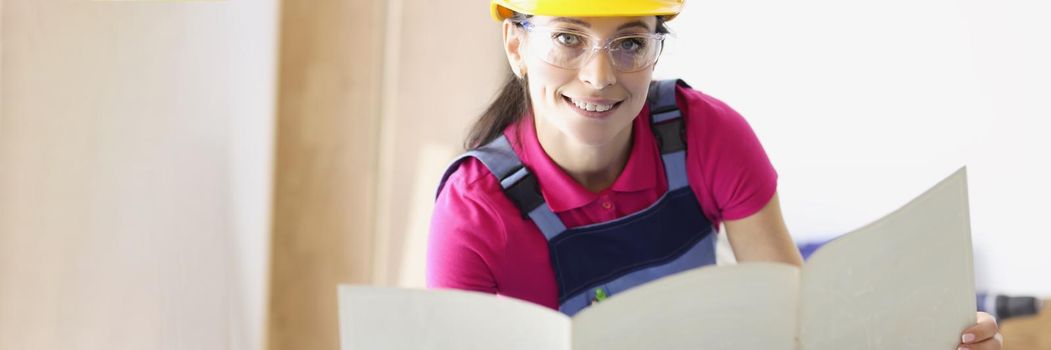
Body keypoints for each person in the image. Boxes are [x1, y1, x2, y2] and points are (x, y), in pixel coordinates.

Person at [427, 1, 1002, 348]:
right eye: (567, 38)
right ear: (516, 44)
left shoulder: (705, 135)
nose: (600, 75)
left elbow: (799, 329)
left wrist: (940, 337)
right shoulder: (474, 214)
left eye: (630, 42)